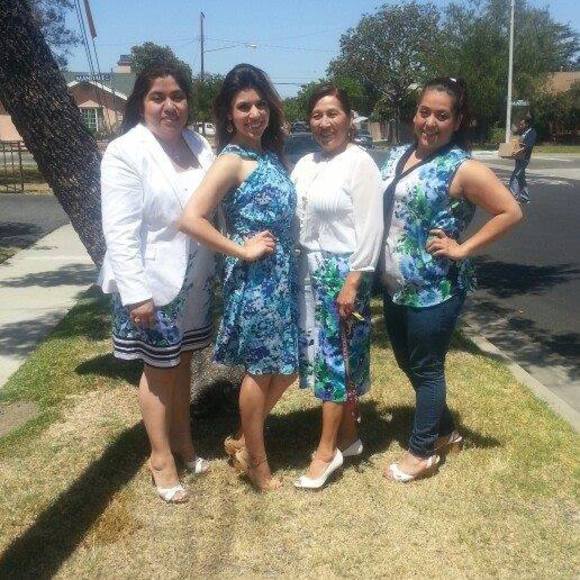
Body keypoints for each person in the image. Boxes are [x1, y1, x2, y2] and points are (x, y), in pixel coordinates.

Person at [380, 77, 523, 482]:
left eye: (441, 115)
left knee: (427, 368)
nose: (429, 122)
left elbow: (511, 212)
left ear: (457, 121)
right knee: (407, 361)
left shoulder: (463, 168)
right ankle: (445, 431)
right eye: (424, 111)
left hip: (434, 288)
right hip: (394, 284)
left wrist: (462, 248)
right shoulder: (398, 154)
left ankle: (423, 452)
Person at [98, 64, 215, 503]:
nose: (170, 106)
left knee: (183, 363)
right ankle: (161, 458)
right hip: (152, 282)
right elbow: (119, 230)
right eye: (158, 97)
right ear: (141, 103)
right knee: (159, 369)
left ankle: (183, 441)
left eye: (178, 96)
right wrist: (137, 294)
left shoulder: (198, 144)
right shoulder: (125, 152)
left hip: (196, 279)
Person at [179, 64, 298, 492]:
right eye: (244, 106)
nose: (254, 114)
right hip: (254, 282)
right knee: (262, 371)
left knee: (288, 367)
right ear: (229, 115)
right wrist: (240, 249)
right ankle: (257, 463)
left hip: (281, 278)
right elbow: (191, 219)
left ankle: (245, 442)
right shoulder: (230, 160)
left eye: (260, 104)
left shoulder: (268, 155)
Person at [290, 85, 383, 490]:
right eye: (317, 115)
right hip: (309, 269)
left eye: (332, 114)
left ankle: (326, 453)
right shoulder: (305, 163)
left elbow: (371, 228)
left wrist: (353, 281)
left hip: (345, 272)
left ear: (348, 119)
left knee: (334, 358)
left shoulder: (359, 163)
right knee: (327, 354)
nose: (324, 122)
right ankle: (349, 436)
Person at [509, 113, 537, 204]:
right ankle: (525, 197)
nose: (520, 126)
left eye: (522, 124)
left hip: (524, 158)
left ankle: (514, 197)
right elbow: (516, 140)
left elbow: (528, 146)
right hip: (519, 157)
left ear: (527, 124)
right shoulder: (523, 132)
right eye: (520, 124)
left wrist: (518, 151)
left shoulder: (532, 132)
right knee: (521, 177)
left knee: (515, 176)